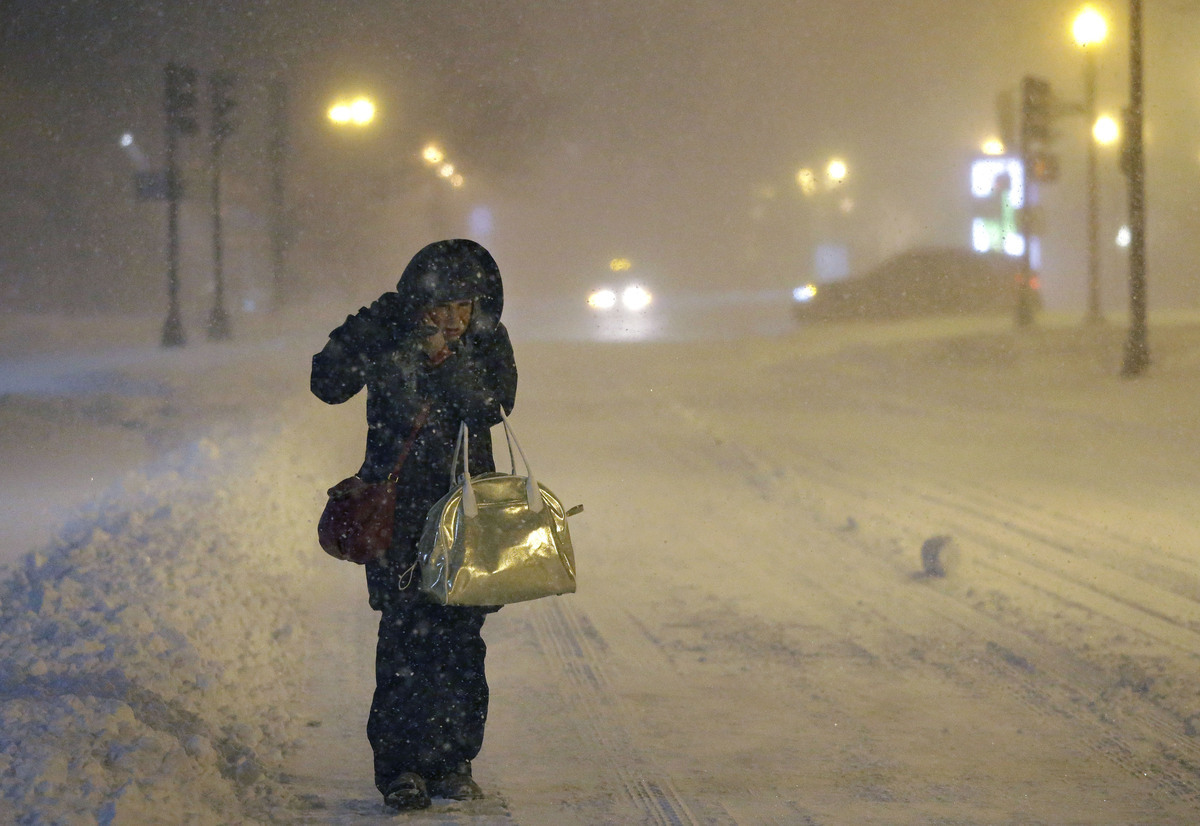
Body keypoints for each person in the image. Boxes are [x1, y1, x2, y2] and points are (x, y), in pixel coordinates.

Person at [310, 239, 517, 810]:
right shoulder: (387, 333)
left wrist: (447, 363)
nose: (452, 320)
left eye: (463, 307)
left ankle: (453, 761)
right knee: (404, 638)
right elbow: (327, 384)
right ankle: (401, 768)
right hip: (397, 512)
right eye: (439, 308)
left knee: (459, 640)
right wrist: (379, 331)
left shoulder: (484, 341)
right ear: (415, 303)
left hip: (464, 512)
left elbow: (494, 405)